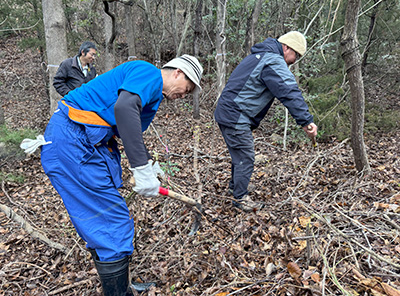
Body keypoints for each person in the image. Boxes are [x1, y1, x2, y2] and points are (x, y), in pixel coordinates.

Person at [40, 55, 203, 295]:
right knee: (111, 221)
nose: (183, 95)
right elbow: (124, 108)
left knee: (105, 222)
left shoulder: (152, 95)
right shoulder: (148, 73)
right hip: (72, 141)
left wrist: (147, 164)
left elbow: (126, 126)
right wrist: (139, 166)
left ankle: (120, 287)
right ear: (177, 72)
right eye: (186, 89)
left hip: (84, 144)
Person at [214, 31, 318, 212]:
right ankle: (240, 198)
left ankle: (236, 187)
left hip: (229, 112)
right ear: (286, 48)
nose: (295, 61)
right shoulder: (272, 60)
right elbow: (289, 91)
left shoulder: (259, 56)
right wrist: (306, 120)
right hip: (235, 114)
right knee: (245, 156)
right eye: (296, 55)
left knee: (239, 155)